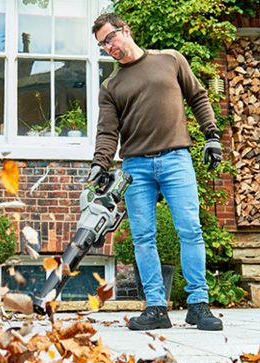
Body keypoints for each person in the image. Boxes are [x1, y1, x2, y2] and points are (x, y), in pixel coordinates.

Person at [88, 13, 224, 331]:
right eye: (102, 45)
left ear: (126, 30)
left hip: (177, 158)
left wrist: (212, 136)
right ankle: (156, 308)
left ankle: (198, 305)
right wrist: (99, 163)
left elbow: (198, 97)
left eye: (110, 38)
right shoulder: (111, 86)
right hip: (136, 165)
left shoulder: (171, 60)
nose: (108, 47)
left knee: (190, 229)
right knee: (143, 237)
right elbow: (107, 132)